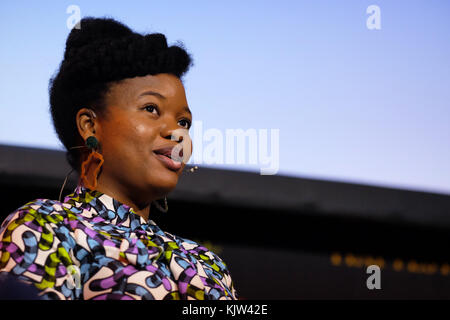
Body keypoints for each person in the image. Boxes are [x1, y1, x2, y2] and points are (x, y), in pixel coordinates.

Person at [0, 17, 238, 300]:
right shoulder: (47, 228)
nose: (177, 133)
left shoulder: (208, 263)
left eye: (184, 122)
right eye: (151, 108)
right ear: (90, 125)